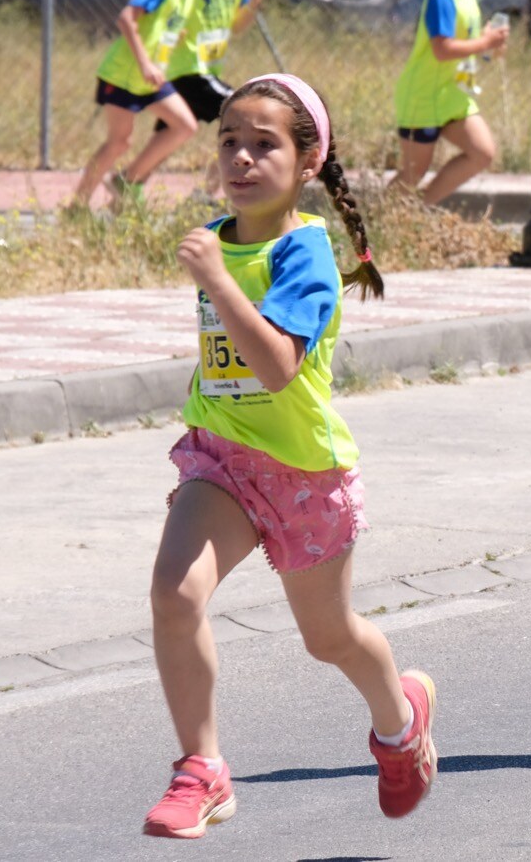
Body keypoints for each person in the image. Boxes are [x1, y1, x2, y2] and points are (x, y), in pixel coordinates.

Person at [144, 74, 436, 837]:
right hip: (223, 464)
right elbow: (227, 358)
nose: (241, 159)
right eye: (228, 142)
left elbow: (276, 365)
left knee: (328, 637)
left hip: (303, 476)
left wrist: (214, 279)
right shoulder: (220, 236)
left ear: (307, 162)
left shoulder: (304, 253)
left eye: (263, 145)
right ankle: (200, 768)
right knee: (175, 596)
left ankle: (400, 721)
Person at [120, 0, 269, 198]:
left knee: (169, 136)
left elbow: (236, 27)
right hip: (183, 67)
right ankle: (206, 194)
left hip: (206, 67)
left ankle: (126, 189)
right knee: (243, 117)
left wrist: (253, 1)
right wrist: (165, 24)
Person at [71, 0, 216, 207]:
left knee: (185, 125)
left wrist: (167, 33)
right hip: (125, 74)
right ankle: (77, 206)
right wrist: (145, 63)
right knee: (119, 142)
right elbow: (126, 18)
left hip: (150, 78)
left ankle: (127, 181)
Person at [393, 0, 510, 205]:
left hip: (453, 95)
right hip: (424, 97)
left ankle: (420, 210)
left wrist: (489, 45)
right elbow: (442, 49)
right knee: (413, 172)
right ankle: (371, 226)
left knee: (483, 152)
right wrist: (484, 43)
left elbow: (467, 44)